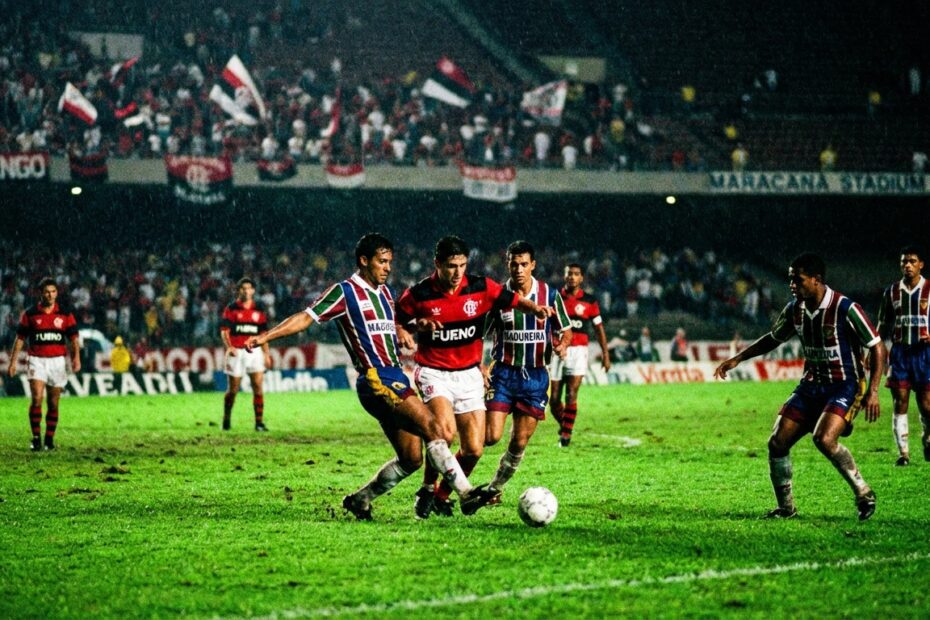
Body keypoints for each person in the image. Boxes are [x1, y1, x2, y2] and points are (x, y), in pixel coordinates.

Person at [244, 233, 496, 520]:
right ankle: (465, 493)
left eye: (390, 262)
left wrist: (415, 327)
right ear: (364, 261)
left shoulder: (384, 293)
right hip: (377, 378)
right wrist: (267, 336)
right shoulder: (345, 292)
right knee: (436, 429)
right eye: (382, 261)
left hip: (395, 375)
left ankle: (360, 500)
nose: (388, 267)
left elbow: (393, 329)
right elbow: (306, 316)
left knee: (412, 458)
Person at [714, 253, 883, 521]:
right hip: (810, 386)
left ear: (816, 280)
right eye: (790, 279)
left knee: (824, 439)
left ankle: (864, 493)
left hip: (844, 386)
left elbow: (876, 346)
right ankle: (787, 509)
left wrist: (873, 391)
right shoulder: (794, 309)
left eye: (798, 279)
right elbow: (773, 338)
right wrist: (739, 357)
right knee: (777, 442)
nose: (792, 284)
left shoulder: (845, 307)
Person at [395, 235, 552, 518]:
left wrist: (536, 309)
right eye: (450, 266)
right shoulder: (418, 294)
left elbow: (513, 299)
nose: (457, 273)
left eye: (462, 266)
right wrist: (405, 330)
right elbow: (395, 317)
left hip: (468, 373)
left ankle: (441, 495)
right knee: (443, 433)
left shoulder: (481, 287)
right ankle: (432, 489)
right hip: (434, 371)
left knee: (475, 449)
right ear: (437, 264)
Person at [482, 241, 572, 503]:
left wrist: (562, 345)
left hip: (534, 377)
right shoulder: (499, 296)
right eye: (514, 263)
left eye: (524, 264)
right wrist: (478, 365)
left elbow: (566, 330)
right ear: (507, 264)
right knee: (491, 437)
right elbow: (478, 333)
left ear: (533, 265)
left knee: (519, 441)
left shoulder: (549, 294)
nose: (519, 269)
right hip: (503, 374)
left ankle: (494, 489)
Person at [6, 278, 81, 451]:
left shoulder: (65, 313)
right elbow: (20, 339)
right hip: (37, 360)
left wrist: (76, 358)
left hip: (58, 362)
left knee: (54, 403)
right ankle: (36, 438)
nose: (50, 295)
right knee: (37, 399)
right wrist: (13, 362)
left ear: (57, 293)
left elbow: (74, 339)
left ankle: (49, 439)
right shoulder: (31, 314)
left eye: (53, 291)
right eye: (47, 292)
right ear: (41, 293)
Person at [876, 244, 930, 466]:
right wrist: (875, 347)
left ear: (921, 265)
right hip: (900, 353)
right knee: (901, 401)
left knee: (927, 405)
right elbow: (882, 322)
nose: (907, 265)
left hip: (925, 354)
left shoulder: (929, 289)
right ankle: (904, 453)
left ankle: (927, 437)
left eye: (912, 261)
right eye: (904, 262)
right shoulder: (891, 292)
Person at [549, 263, 611, 447]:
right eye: (569, 274)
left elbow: (599, 329)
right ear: (564, 276)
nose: (572, 277)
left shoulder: (590, 301)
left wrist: (606, 354)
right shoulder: (555, 297)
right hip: (559, 350)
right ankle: (566, 426)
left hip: (579, 351)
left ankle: (565, 437)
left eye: (576, 274)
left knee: (571, 394)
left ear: (582, 278)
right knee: (553, 401)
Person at [220, 277, 272, 431]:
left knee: (257, 386)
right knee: (233, 390)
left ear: (253, 290)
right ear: (238, 290)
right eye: (243, 288)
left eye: (249, 288)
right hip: (237, 351)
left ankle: (259, 423)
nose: (246, 291)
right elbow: (224, 331)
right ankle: (226, 419)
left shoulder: (259, 309)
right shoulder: (231, 308)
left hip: (254, 351)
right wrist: (229, 347)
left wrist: (266, 354)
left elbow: (263, 335)